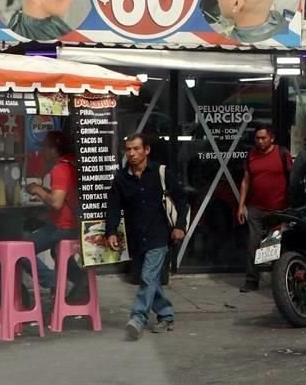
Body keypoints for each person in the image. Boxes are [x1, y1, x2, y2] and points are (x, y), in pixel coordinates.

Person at [105, 134, 188, 341]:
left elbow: (182, 200)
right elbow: (113, 207)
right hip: (136, 237)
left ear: (146, 150)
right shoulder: (121, 179)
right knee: (149, 279)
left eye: (136, 148)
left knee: (148, 277)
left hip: (159, 234)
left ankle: (137, 318)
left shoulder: (161, 173)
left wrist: (180, 226)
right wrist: (111, 231)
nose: (131, 153)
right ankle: (166, 314)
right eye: (128, 149)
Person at [24, 131, 87, 296]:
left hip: (63, 227)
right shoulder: (73, 164)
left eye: (45, 148)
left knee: (22, 250)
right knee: (56, 251)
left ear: (53, 149)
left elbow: (56, 202)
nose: (43, 153)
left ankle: (51, 280)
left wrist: (37, 189)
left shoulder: (60, 169)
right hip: (75, 225)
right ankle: (82, 280)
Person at [236, 124, 292, 292]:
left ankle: (281, 281)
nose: (260, 141)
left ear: (272, 138)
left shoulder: (282, 153)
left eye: (263, 138)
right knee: (253, 244)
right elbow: (246, 181)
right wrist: (241, 206)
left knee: (278, 245)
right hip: (256, 208)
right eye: (257, 138)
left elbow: (292, 178)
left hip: (279, 208)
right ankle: (252, 280)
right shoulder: (251, 155)